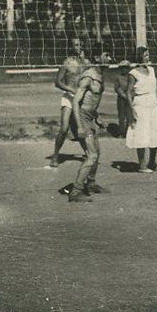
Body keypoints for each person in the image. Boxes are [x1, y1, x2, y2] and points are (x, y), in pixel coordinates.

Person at [67, 43, 112, 202]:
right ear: (97, 57)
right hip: (82, 118)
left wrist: (97, 117)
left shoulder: (99, 74)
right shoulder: (88, 76)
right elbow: (76, 102)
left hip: (90, 117)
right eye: (106, 55)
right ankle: (75, 191)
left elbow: (90, 100)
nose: (109, 58)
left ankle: (91, 184)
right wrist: (79, 126)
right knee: (92, 155)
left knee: (96, 153)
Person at [125, 46, 157, 172]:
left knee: (155, 132)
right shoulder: (133, 73)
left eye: (148, 55)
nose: (148, 57)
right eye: (145, 55)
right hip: (140, 104)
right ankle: (142, 165)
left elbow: (154, 89)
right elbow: (128, 92)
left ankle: (152, 162)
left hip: (152, 104)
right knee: (141, 133)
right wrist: (131, 109)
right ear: (139, 57)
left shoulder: (151, 70)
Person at [49, 37, 88, 168]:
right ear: (71, 47)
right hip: (69, 98)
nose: (78, 47)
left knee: (80, 128)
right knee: (64, 128)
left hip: (80, 99)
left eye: (80, 45)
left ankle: (88, 153)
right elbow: (57, 82)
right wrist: (71, 89)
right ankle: (55, 155)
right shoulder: (66, 63)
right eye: (75, 45)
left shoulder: (86, 63)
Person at [114, 60, 133, 138]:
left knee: (129, 115)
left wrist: (130, 96)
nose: (124, 69)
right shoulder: (118, 77)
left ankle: (129, 132)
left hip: (130, 97)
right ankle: (121, 132)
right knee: (121, 116)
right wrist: (123, 95)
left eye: (126, 68)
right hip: (121, 98)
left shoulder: (131, 76)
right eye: (122, 68)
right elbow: (117, 88)